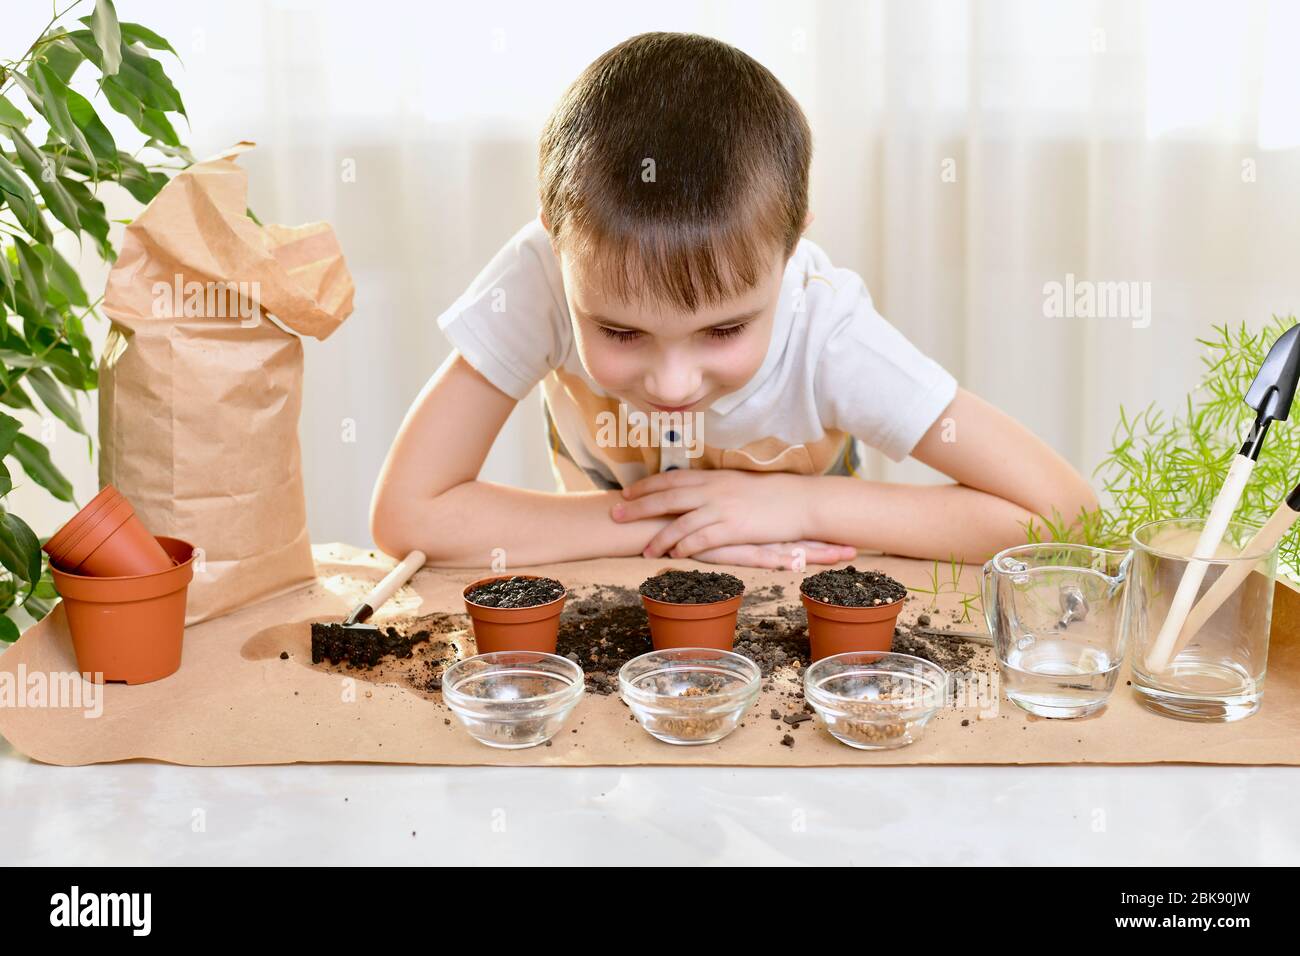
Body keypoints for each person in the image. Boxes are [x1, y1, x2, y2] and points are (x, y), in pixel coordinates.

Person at [371, 32, 1096, 569]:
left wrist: (798, 505)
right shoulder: (540, 277)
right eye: (621, 332)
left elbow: (1067, 519)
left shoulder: (827, 331)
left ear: (788, 253)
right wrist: (686, 526)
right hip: (622, 603)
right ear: (553, 238)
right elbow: (410, 514)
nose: (674, 381)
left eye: (723, 330)